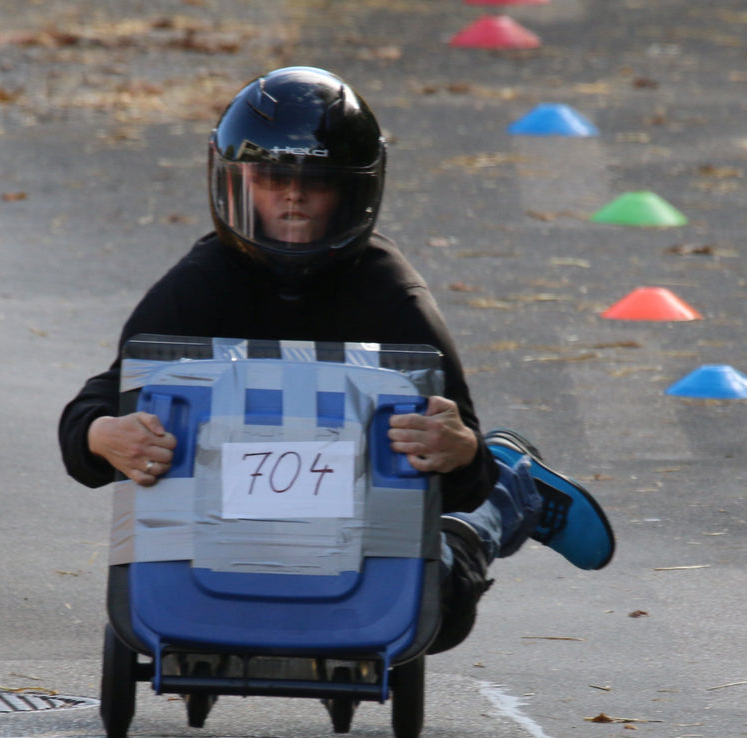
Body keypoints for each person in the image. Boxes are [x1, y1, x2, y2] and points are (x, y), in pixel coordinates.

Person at [59, 65, 609, 654]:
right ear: (236, 184)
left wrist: (466, 450)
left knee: (434, 616)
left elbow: (457, 469)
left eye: (314, 182)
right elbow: (95, 404)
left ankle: (507, 498)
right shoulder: (199, 285)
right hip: (221, 540)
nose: (292, 195)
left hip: (366, 541)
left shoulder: (393, 298)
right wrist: (104, 434)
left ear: (352, 192)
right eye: (271, 178)